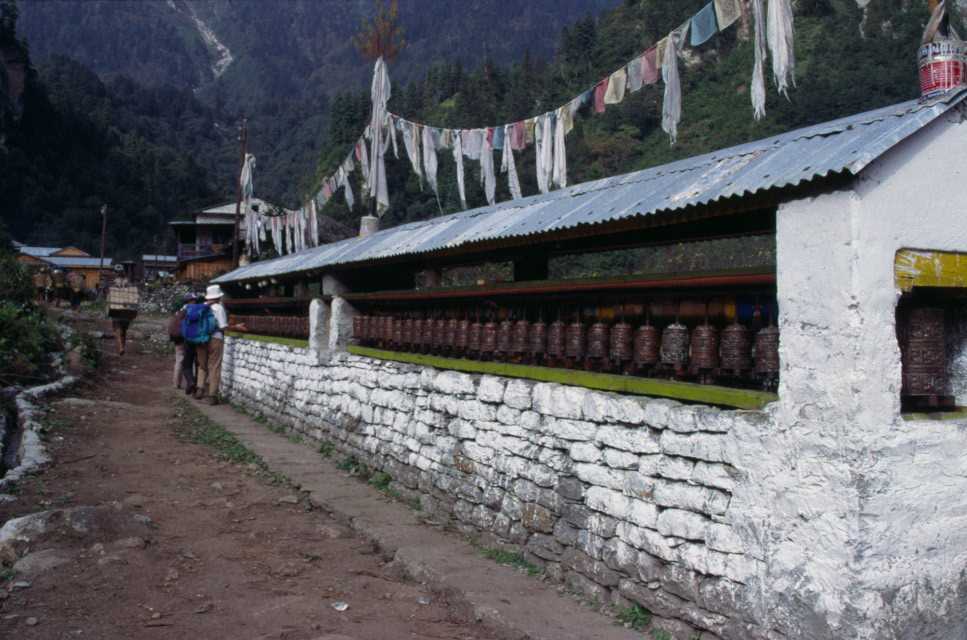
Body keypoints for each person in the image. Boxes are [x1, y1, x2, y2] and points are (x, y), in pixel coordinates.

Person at [198, 284, 245, 405]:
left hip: (200, 340)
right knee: (214, 366)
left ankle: (199, 390)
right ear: (218, 296)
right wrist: (236, 326)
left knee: (202, 365)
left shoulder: (200, 307)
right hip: (215, 339)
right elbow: (223, 327)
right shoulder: (218, 308)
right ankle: (212, 396)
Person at [180, 292, 214, 396]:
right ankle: (197, 386)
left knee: (186, 363)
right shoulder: (202, 307)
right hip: (200, 339)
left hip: (188, 340)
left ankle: (190, 383)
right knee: (199, 364)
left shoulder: (183, 309)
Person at [169, 292, 196, 389]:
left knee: (178, 360)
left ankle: (176, 383)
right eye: (194, 300)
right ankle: (190, 383)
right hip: (186, 338)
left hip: (177, 338)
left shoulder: (179, 311)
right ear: (190, 301)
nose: (195, 302)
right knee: (188, 361)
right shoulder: (190, 310)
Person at [107, 276, 139, 356]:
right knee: (123, 331)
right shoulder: (130, 291)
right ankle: (122, 347)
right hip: (126, 314)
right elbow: (135, 301)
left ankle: (121, 347)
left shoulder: (114, 290)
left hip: (117, 313)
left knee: (118, 331)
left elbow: (108, 301)